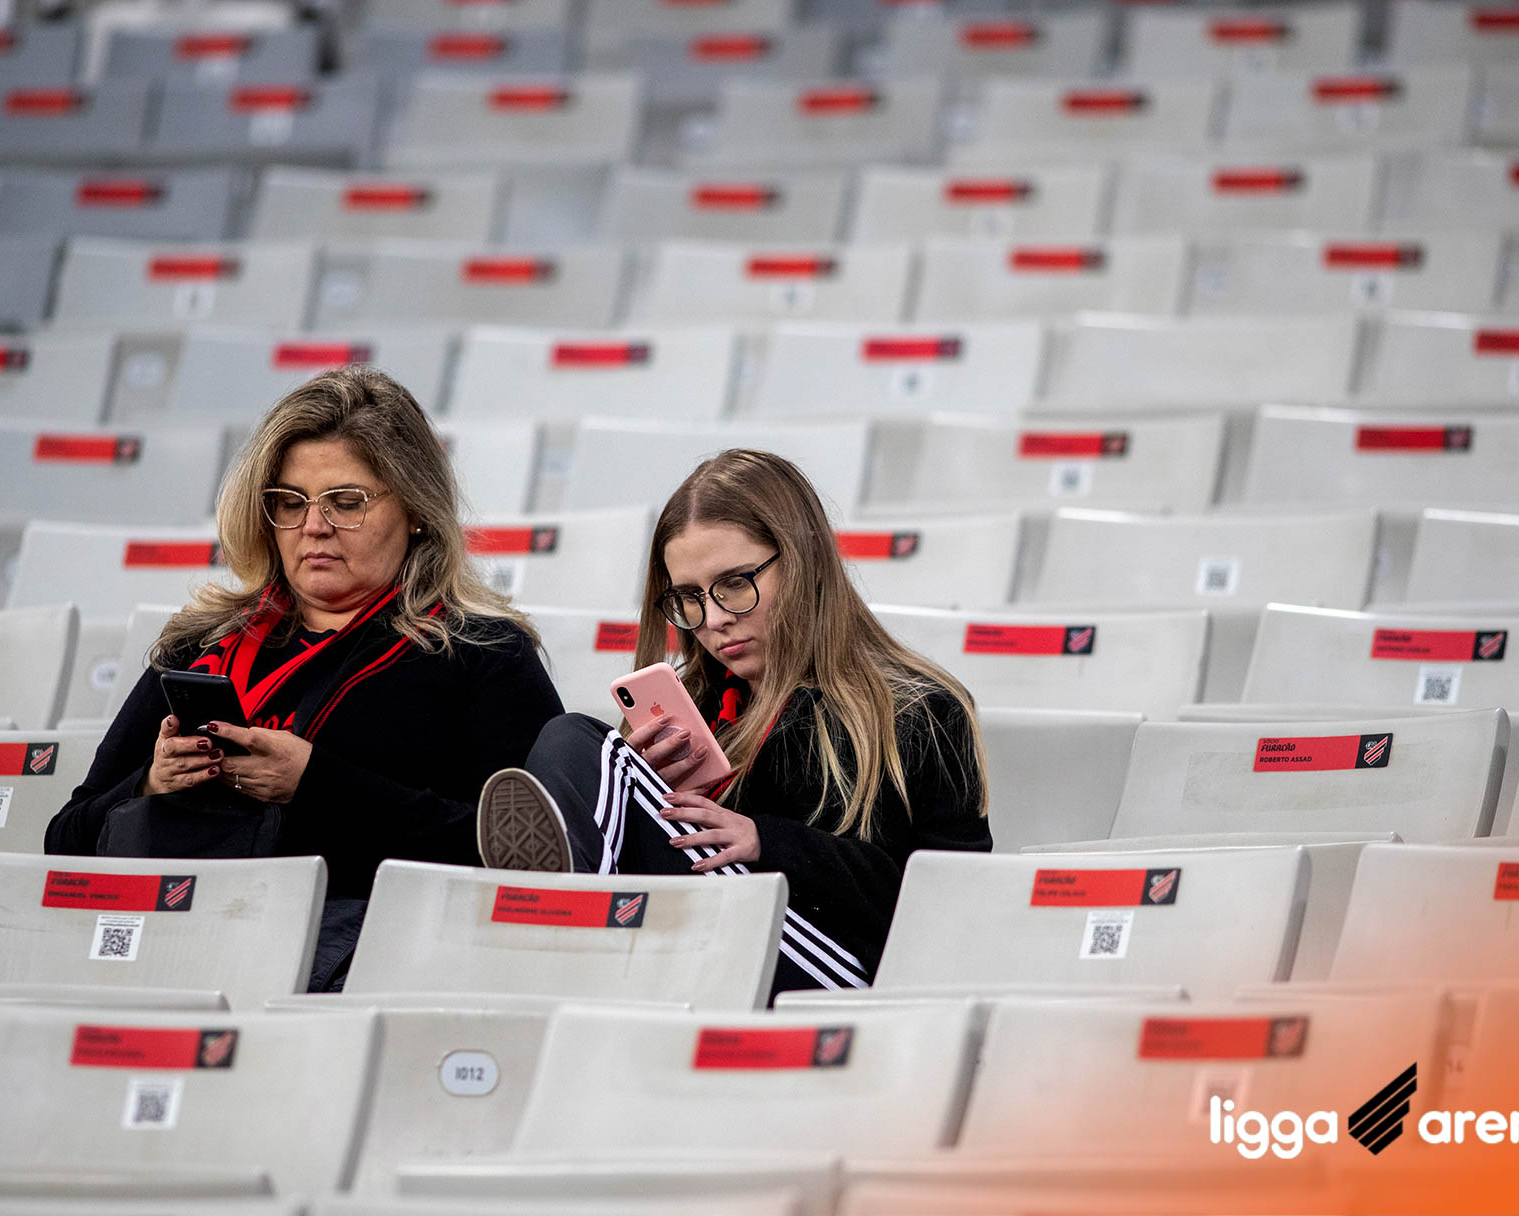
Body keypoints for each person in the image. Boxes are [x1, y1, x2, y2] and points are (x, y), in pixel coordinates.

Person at [48, 367, 562, 990]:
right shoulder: (200, 646)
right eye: (291, 503)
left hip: (370, 958)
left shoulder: (482, 652)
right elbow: (64, 842)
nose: (314, 526)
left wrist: (314, 784)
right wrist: (152, 783)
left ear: (416, 510)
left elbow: (527, 863)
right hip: (167, 945)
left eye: (346, 502)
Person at [475, 449, 990, 996]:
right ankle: (562, 930)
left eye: (736, 582)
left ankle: (551, 941)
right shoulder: (697, 702)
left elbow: (950, 905)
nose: (715, 619)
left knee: (576, 740)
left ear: (805, 561)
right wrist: (658, 799)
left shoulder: (918, 710)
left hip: (831, 973)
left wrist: (766, 841)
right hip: (700, 946)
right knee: (585, 749)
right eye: (689, 597)